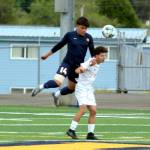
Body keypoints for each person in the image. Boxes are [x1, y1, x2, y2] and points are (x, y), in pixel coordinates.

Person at [31, 17, 95, 102]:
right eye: (82, 28)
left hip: (77, 68)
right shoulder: (70, 35)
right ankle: (40, 87)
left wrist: (94, 61)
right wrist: (47, 55)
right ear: (77, 26)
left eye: (86, 28)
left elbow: (93, 54)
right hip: (67, 63)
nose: (84, 30)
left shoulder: (88, 38)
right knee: (57, 82)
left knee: (72, 88)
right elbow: (59, 45)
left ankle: (56, 94)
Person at [66, 46, 108, 140]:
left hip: (89, 88)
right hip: (81, 88)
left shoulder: (97, 63)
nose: (104, 57)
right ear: (96, 56)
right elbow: (77, 70)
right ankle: (71, 130)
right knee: (83, 109)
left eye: (105, 55)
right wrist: (82, 69)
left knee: (93, 111)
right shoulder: (91, 61)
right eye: (102, 55)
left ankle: (90, 134)